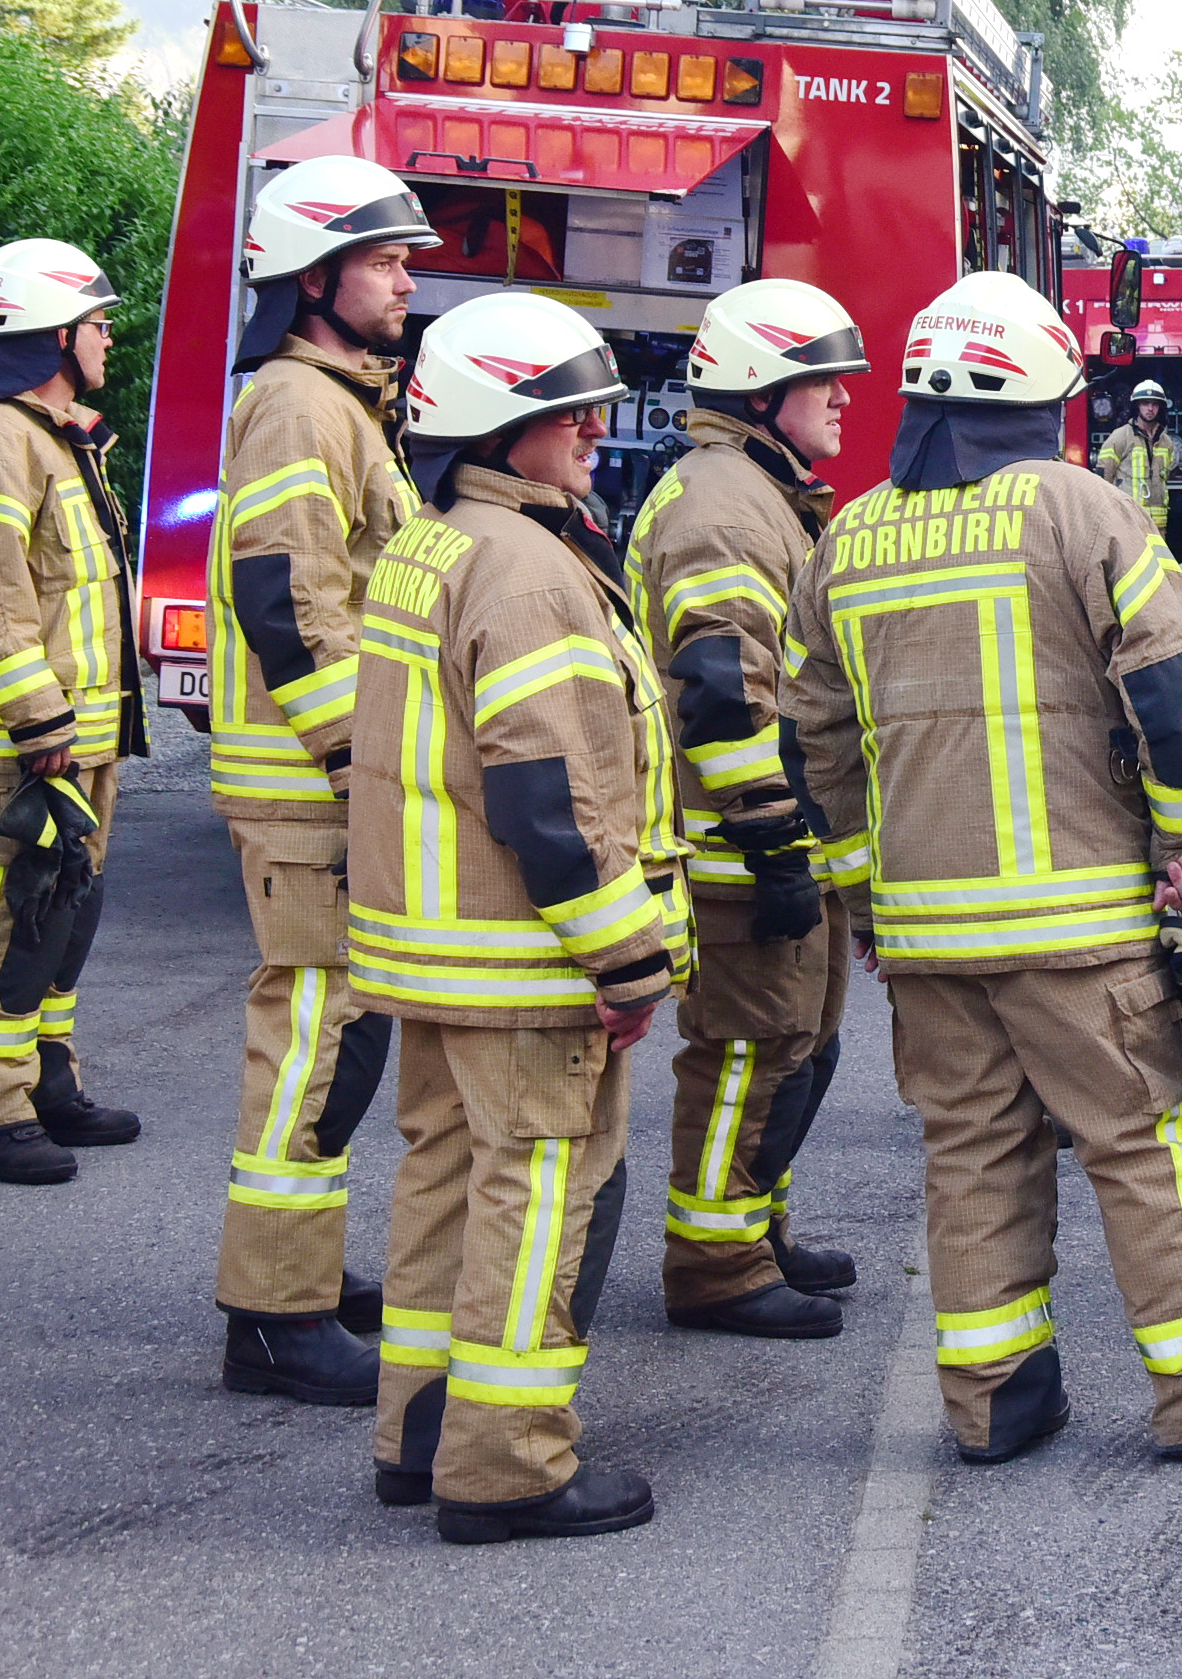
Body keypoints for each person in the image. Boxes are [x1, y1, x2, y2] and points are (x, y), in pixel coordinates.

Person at [786, 271, 1182, 1464]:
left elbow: (813, 739)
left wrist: (856, 893)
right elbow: (1169, 705)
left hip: (926, 934)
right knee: (1149, 1144)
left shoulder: (847, 535)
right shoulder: (1083, 511)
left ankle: (994, 1402)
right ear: (1044, 386)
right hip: (1080, 923)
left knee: (971, 1151)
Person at [353, 292, 681, 1543]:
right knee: (539, 1189)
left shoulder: (434, 542)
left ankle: (420, 1434)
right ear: (502, 422)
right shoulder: (531, 569)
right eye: (569, 409)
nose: (598, 424)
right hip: (521, 956)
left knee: (441, 1180)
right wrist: (625, 955)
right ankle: (505, 1466)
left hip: (432, 949)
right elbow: (548, 793)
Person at [205, 158, 440, 1402]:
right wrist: (359, 762)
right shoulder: (303, 405)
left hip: (326, 780)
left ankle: (301, 1270)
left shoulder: (340, 400)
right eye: (386, 259)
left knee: (340, 1034)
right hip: (312, 788)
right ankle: (273, 1315)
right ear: (315, 279)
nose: (408, 276)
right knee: (312, 1037)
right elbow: (283, 597)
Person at [623, 276, 875, 1342]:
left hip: (774, 834)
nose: (844, 402)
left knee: (792, 1043)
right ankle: (714, 1261)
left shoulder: (754, 493)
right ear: (763, 386)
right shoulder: (726, 509)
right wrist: (773, 839)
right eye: (824, 381)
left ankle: (753, 1222)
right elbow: (722, 692)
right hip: (738, 844)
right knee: (743, 1045)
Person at [0, 238, 151, 1185]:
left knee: (67, 909)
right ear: (56, 334)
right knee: (14, 915)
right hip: (27, 743)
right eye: (98, 323)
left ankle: (46, 1082)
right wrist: (37, 721)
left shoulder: (58, 437)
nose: (108, 337)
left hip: (77, 737)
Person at [1092, 376, 1182, 528]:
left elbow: (1165, 477)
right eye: (1145, 403)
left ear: (1160, 407)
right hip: (1129, 520)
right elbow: (1104, 478)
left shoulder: (1166, 442)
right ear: (1136, 406)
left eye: (1155, 404)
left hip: (1158, 523)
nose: (1150, 409)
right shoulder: (1121, 436)